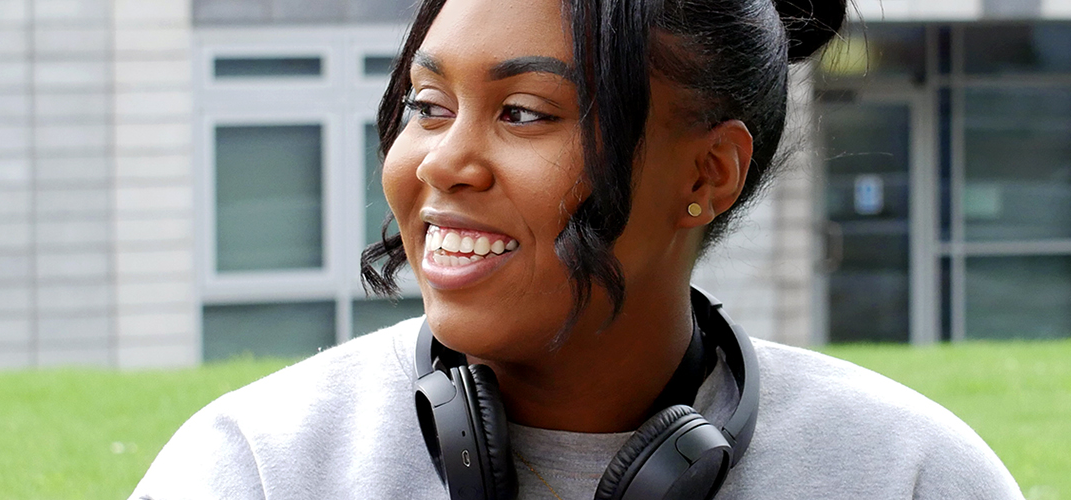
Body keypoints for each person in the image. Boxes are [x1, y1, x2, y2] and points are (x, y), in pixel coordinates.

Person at [130, 0, 1023, 498]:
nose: (442, 160)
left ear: (708, 172)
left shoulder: (909, 476)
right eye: (426, 105)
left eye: (524, 113)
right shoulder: (257, 468)